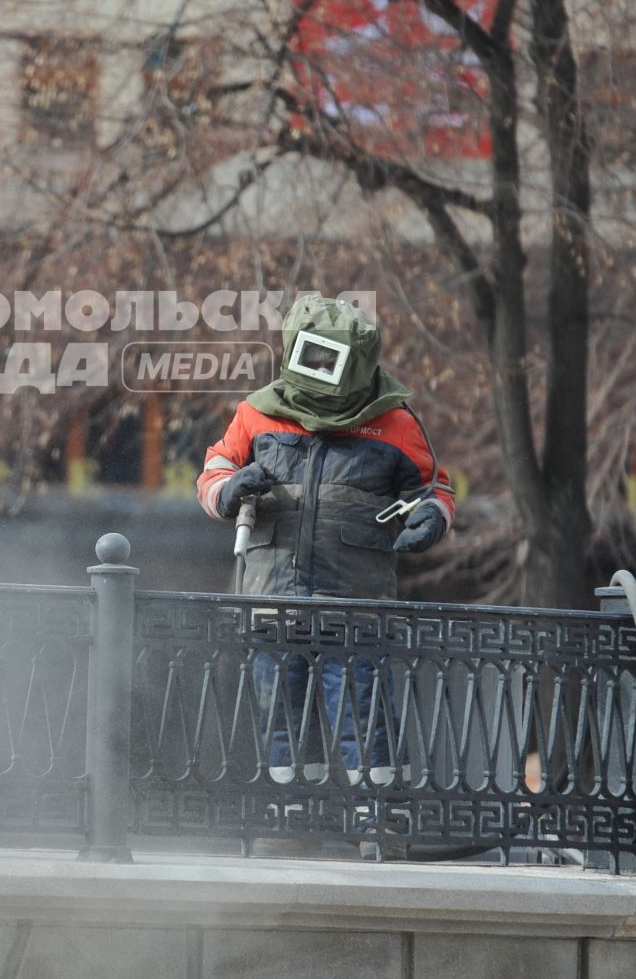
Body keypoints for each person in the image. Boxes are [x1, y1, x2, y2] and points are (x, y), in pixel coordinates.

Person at [195, 293, 455, 787]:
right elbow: (213, 470)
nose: (317, 369)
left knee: (365, 718)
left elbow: (433, 487)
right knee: (281, 722)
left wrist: (431, 518)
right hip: (274, 603)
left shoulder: (397, 423)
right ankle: (290, 823)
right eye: (309, 357)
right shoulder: (256, 413)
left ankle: (378, 825)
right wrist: (229, 490)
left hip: (354, 607)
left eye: (326, 359)